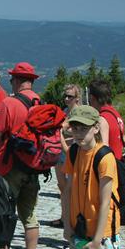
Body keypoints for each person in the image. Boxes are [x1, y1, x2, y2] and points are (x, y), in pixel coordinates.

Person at [53, 105, 121, 249]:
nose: (79, 133)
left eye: (84, 128)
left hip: (104, 228)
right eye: (75, 128)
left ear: (96, 128)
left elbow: (106, 201)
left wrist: (98, 239)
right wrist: (67, 224)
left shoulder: (105, 156)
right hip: (79, 225)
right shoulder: (74, 152)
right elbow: (68, 189)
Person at [0, 62, 42, 249]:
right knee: (29, 214)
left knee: (5, 212)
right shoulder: (40, 103)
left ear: (18, 80)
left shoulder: (10, 103)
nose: (11, 82)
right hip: (34, 167)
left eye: (12, 79)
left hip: (10, 166)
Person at [50, 84, 82, 228]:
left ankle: (73, 218)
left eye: (70, 96)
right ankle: (64, 217)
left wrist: (63, 131)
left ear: (77, 98)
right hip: (61, 152)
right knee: (62, 186)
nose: (67, 99)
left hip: (72, 151)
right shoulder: (64, 111)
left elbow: (62, 128)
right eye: (66, 96)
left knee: (72, 187)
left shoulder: (78, 112)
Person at [89, 79, 125, 160]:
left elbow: (103, 150)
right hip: (119, 160)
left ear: (92, 98)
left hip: (110, 164)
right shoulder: (115, 114)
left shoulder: (102, 119)